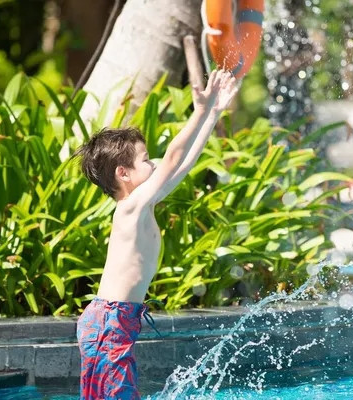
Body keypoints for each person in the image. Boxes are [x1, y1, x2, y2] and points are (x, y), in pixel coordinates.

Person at [74, 70, 238, 399]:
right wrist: (201, 111)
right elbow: (175, 155)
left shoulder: (141, 204)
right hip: (110, 322)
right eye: (146, 160)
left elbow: (184, 163)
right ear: (124, 174)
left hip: (113, 321)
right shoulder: (130, 207)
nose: (154, 164)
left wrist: (214, 113)